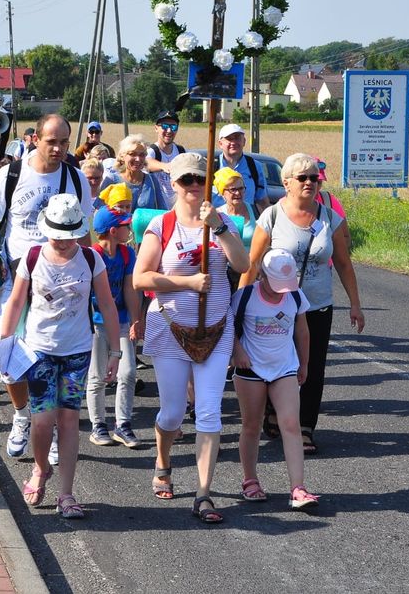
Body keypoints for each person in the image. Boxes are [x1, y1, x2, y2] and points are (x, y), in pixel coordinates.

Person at [0, 114, 94, 461]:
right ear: (35, 138)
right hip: (15, 280)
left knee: (53, 358)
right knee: (9, 361)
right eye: (52, 141)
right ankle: (22, 415)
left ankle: (45, 427)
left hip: (61, 286)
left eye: (64, 142)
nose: (59, 148)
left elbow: (84, 235)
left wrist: (94, 283)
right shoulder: (12, 175)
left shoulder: (76, 179)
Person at [132, 153, 249, 524]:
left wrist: (218, 227)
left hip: (216, 329)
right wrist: (186, 283)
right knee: (172, 413)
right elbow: (141, 278)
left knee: (211, 413)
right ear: (174, 184)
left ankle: (203, 494)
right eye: (186, 180)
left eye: (199, 179)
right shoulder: (162, 226)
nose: (193, 186)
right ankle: (163, 461)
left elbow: (243, 265)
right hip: (170, 328)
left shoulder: (222, 220)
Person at [0, 194, 120, 519]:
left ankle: (66, 494)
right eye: (57, 235)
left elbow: (106, 305)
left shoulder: (92, 260)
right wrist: (5, 347)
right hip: (40, 352)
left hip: (78, 352)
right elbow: (15, 302)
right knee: (41, 420)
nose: (63, 242)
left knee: (67, 421)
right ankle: (40, 469)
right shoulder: (33, 257)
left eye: (69, 236)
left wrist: (115, 352)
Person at [240, 153, 365, 456]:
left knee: (313, 367)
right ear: (286, 184)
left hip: (317, 304)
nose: (310, 182)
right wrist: (239, 304)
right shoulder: (271, 216)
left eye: (314, 177)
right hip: (275, 306)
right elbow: (253, 262)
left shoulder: (329, 217)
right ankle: (272, 412)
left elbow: (344, 263)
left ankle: (306, 426)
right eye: (302, 178)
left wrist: (355, 305)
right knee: (274, 360)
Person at [230, 249, 319, 510]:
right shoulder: (245, 296)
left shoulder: (295, 295)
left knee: (291, 423)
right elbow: (228, 327)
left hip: (284, 368)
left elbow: (302, 331)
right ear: (262, 275)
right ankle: (250, 480)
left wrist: (304, 363)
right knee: (251, 425)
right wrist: (238, 352)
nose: (280, 291)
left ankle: (298, 488)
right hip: (251, 369)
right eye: (275, 284)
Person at [86, 207, 143, 449]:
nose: (129, 230)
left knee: (128, 372)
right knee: (98, 376)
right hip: (96, 323)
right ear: (112, 231)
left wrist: (135, 319)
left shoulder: (127, 254)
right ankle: (98, 424)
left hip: (120, 320)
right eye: (125, 226)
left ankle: (123, 424)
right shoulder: (92, 255)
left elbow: (130, 289)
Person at [210, 124, 269, 216]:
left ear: (244, 141)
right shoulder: (211, 167)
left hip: (246, 223)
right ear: (220, 144)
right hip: (217, 222)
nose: (233, 142)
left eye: (237, 138)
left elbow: (262, 201)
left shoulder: (255, 167)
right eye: (229, 139)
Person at [103, 135, 167, 211]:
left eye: (141, 155)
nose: (138, 159)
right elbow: (99, 214)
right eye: (132, 154)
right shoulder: (111, 180)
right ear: (123, 156)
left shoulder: (152, 181)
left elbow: (162, 212)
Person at [145, 110, 187, 207]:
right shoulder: (153, 151)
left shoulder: (181, 151)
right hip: (158, 208)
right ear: (156, 128)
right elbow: (147, 162)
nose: (169, 131)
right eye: (164, 126)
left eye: (173, 127)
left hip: (178, 208)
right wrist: (165, 166)